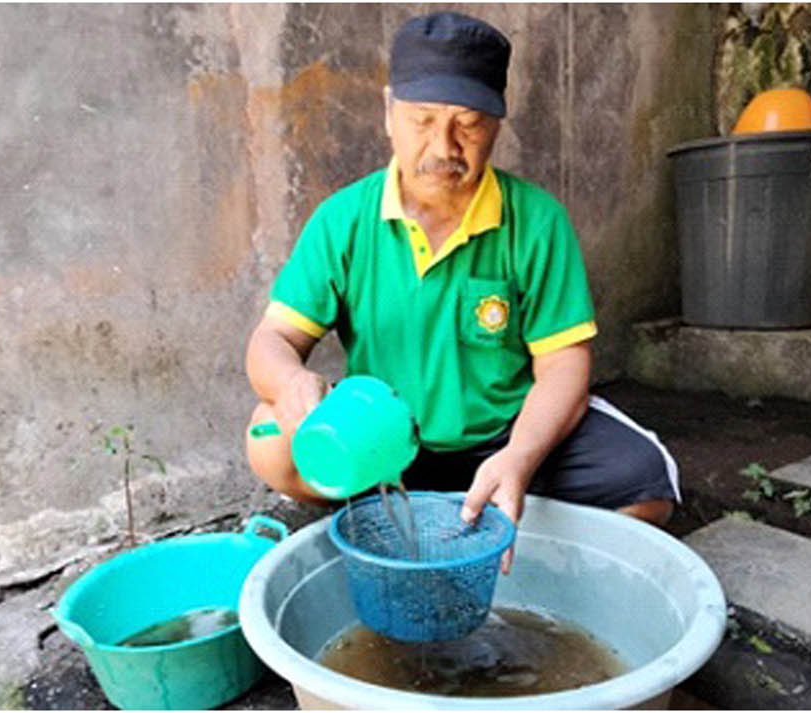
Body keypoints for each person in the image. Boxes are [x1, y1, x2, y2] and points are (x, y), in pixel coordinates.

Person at [244, 12, 679, 566]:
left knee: (645, 487)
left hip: (507, 435)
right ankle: (390, 512)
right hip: (389, 442)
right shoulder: (343, 220)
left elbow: (564, 366)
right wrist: (291, 383)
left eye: (468, 123)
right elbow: (273, 339)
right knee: (269, 439)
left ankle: (505, 519)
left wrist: (520, 457)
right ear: (388, 113)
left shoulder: (536, 221)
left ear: (496, 123)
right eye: (422, 120)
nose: (443, 146)